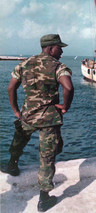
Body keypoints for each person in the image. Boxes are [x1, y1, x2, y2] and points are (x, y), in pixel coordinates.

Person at [3, 34, 74, 212]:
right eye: (59, 47)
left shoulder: (24, 64)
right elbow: (68, 87)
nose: (62, 50)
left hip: (27, 115)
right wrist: (65, 107)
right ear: (50, 48)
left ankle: (12, 166)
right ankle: (44, 200)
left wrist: (16, 111)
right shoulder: (58, 66)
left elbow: (11, 87)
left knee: (19, 139)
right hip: (49, 118)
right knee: (47, 157)